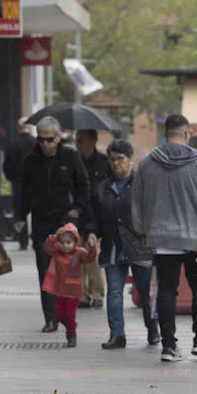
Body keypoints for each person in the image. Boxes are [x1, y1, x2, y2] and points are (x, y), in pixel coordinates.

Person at [132, 114, 197, 362]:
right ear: (187, 134)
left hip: (162, 238)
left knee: (166, 291)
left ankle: (169, 346)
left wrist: (142, 231)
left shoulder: (148, 162)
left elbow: (137, 202)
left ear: (166, 134)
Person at [14, 116, 91, 333]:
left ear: (58, 138)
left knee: (66, 269)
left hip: (64, 221)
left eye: (49, 140)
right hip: (41, 221)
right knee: (44, 269)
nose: (44, 144)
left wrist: (76, 210)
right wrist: (21, 216)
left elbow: (84, 186)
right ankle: (50, 318)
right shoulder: (32, 161)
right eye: (40, 140)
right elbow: (26, 192)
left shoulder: (71, 157)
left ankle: (66, 314)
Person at [86, 139, 160, 349]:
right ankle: (117, 334)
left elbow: (153, 215)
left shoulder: (143, 186)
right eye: (112, 160)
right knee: (114, 291)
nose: (116, 163)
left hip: (140, 247)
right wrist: (91, 233)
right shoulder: (101, 189)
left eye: (120, 159)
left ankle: (152, 328)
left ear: (130, 160)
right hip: (112, 248)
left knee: (145, 292)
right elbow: (93, 219)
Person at [41, 223, 98, 347]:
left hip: (73, 291)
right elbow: (46, 247)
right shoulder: (56, 252)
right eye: (62, 242)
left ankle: (71, 335)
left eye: (68, 242)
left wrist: (92, 248)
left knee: (69, 314)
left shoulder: (79, 253)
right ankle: (71, 325)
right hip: (59, 289)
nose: (65, 246)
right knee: (60, 315)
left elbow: (90, 258)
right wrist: (54, 237)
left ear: (75, 242)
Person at [76, 129, 109, 310]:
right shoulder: (74, 161)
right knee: (79, 255)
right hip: (79, 213)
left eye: (83, 140)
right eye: (78, 140)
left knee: (94, 255)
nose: (80, 143)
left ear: (94, 141)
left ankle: (97, 293)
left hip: (98, 214)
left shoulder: (104, 163)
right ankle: (83, 294)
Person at [2, 117, 36, 251]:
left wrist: (12, 178)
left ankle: (23, 241)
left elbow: (6, 166)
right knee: (36, 211)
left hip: (18, 183)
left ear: (18, 128)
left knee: (19, 211)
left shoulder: (12, 145)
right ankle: (36, 239)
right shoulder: (36, 144)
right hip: (35, 183)